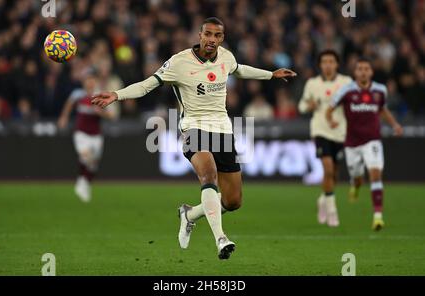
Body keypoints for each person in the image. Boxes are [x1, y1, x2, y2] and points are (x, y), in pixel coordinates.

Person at [91, 17, 297, 259]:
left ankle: (189, 214)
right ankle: (221, 238)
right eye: (207, 34)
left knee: (233, 202)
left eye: (217, 35)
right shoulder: (179, 62)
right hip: (193, 129)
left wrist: (270, 74)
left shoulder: (226, 57)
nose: (211, 40)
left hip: (222, 131)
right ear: (199, 35)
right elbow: (148, 85)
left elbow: (239, 69)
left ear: (222, 38)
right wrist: (117, 94)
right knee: (208, 175)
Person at [326, 58, 403, 231]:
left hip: (372, 140)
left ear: (371, 72)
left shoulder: (380, 90)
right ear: (355, 73)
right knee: (358, 175)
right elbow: (329, 109)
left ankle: (377, 217)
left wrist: (395, 125)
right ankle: (355, 184)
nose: (363, 72)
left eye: (366, 69)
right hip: (352, 142)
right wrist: (330, 121)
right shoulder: (346, 91)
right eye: (359, 69)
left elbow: (382, 109)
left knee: (375, 174)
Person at [298, 50, 352, 227]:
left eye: (331, 61)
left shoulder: (346, 82)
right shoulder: (312, 83)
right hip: (320, 131)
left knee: (334, 174)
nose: (328, 65)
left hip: (340, 132)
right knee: (327, 169)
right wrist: (309, 105)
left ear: (337, 64)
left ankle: (323, 200)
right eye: (324, 62)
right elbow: (301, 106)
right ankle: (332, 211)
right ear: (320, 65)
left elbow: (352, 102)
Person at [58, 73, 117, 202]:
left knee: (93, 165)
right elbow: (69, 105)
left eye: (92, 80)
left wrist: (101, 112)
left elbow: (112, 116)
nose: (89, 83)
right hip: (81, 133)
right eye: (87, 80)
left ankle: (84, 183)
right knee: (86, 157)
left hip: (96, 135)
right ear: (84, 82)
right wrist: (64, 117)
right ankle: (81, 182)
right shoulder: (78, 94)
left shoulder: (99, 96)